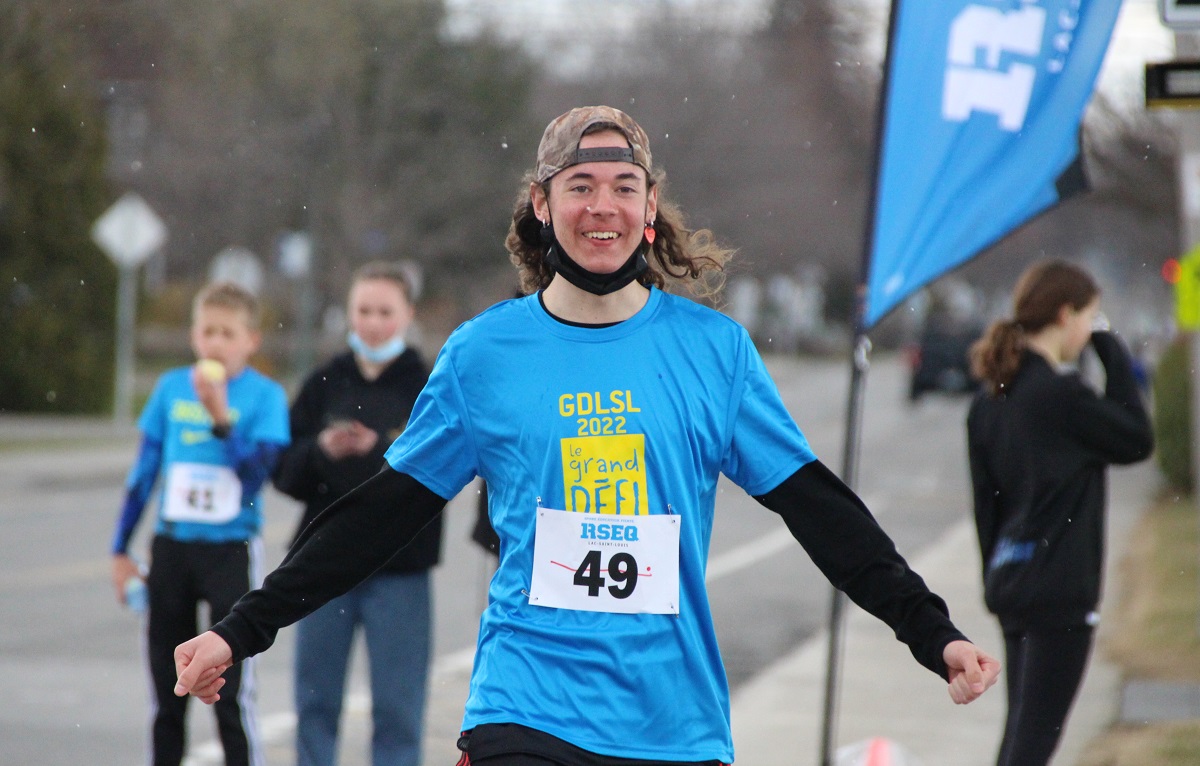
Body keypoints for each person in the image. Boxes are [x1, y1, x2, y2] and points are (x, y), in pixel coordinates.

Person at [174, 105, 1000, 766]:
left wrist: (932, 631)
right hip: (524, 707)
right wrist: (240, 627)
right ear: (542, 204)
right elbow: (378, 515)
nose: (600, 205)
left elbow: (820, 510)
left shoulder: (712, 353)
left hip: (670, 720)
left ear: (648, 210)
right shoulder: (484, 355)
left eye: (622, 186)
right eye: (578, 185)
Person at [965, 259, 1154, 766]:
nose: (1091, 329)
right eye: (1091, 317)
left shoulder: (990, 401)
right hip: (1060, 589)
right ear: (1067, 314)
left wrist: (994, 577)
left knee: (1019, 736)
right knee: (1034, 744)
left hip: (1013, 583)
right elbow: (1136, 439)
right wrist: (1113, 355)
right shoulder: (1061, 396)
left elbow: (988, 508)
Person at [110, 280, 290, 766]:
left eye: (227, 333)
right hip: (172, 549)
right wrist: (119, 549)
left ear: (250, 340)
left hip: (229, 552)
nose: (216, 344)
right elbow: (143, 475)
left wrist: (219, 418)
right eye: (207, 332)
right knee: (168, 696)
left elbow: (257, 478)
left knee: (228, 696)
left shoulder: (265, 397)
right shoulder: (170, 389)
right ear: (193, 336)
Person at [272, 261, 437, 766]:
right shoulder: (325, 379)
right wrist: (321, 450)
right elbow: (283, 469)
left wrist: (381, 450)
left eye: (385, 311)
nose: (373, 322)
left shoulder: (428, 382)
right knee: (315, 704)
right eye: (363, 310)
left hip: (401, 569)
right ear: (348, 313)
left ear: (407, 314)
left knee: (398, 711)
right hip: (323, 564)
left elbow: (443, 469)